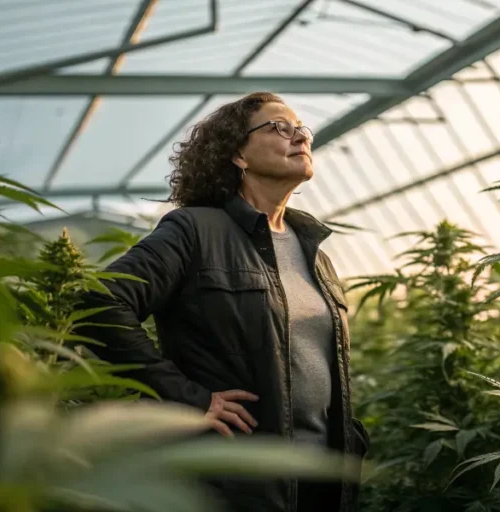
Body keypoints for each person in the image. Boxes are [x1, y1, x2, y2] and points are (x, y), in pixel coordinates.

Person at [76, 92, 369, 512]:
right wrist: (188, 396)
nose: (299, 137)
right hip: (236, 480)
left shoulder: (314, 254)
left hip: (319, 479)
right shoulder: (195, 230)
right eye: (278, 127)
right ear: (238, 155)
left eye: (301, 129)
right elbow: (98, 303)